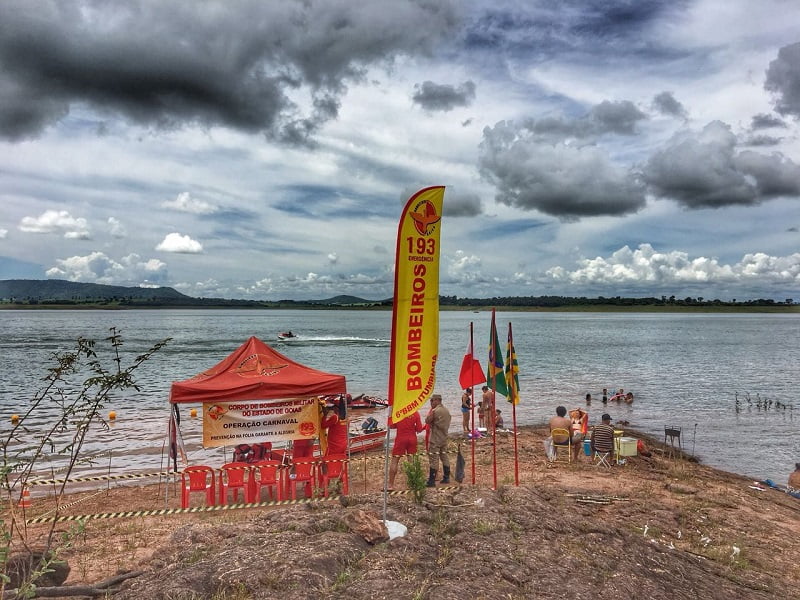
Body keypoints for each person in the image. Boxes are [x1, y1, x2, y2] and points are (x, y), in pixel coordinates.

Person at [387, 411, 424, 491]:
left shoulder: (398, 412)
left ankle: (390, 485)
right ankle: (413, 484)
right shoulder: (415, 413)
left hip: (401, 438)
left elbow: (392, 426)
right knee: (411, 461)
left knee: (395, 461)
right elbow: (419, 429)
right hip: (412, 438)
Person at [425, 394, 452, 487]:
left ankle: (432, 480)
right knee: (444, 456)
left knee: (434, 459)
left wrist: (431, 414)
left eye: (432, 401)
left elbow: (427, 421)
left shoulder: (435, 411)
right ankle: (446, 477)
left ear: (437, 400)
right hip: (444, 437)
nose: (431, 403)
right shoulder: (446, 410)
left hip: (435, 438)